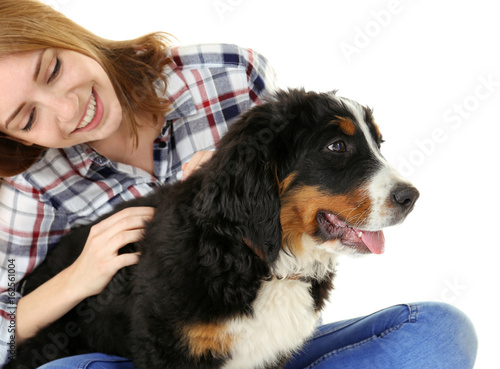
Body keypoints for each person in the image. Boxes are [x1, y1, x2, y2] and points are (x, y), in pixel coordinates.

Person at [0, 1, 477, 368]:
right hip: (124, 357)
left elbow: (293, 169)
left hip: (264, 341)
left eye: (54, 69)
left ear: (69, 34)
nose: (67, 108)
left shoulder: (224, 73)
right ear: (12, 136)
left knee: (437, 332)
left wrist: (232, 166)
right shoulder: (27, 187)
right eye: (27, 116)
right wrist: (75, 279)